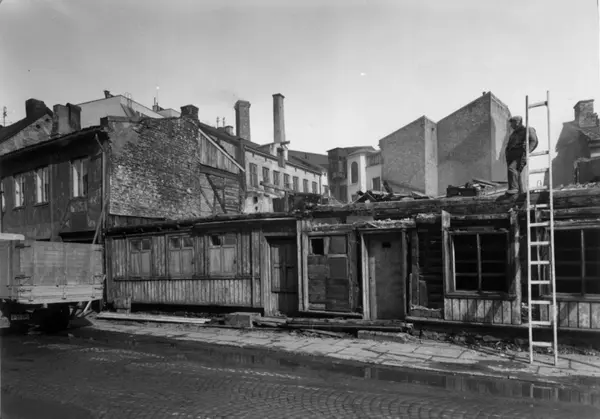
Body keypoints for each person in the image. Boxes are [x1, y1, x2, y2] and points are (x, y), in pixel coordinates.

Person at [505, 116, 539, 195]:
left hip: (520, 156)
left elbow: (534, 141)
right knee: (513, 174)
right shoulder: (514, 133)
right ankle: (515, 191)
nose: (511, 125)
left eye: (512, 123)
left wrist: (527, 151)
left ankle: (514, 189)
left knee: (512, 169)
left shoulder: (527, 130)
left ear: (517, 122)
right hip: (511, 157)